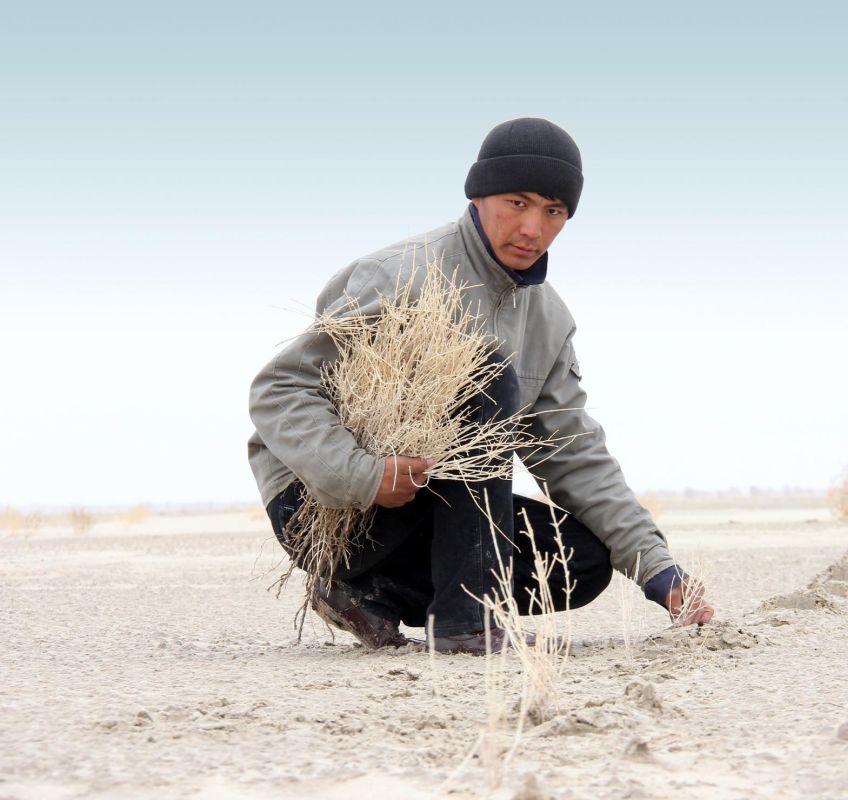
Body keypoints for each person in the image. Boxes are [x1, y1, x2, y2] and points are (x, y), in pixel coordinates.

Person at [247, 117, 713, 653]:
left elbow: (575, 454)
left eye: (553, 212)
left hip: (433, 511)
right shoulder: (400, 276)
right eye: (518, 203)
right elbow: (279, 388)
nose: (533, 229)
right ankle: (465, 623)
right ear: (480, 196)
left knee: (579, 559)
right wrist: (364, 475)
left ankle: (367, 595)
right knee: (486, 374)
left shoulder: (549, 321)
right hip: (328, 510)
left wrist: (660, 572)